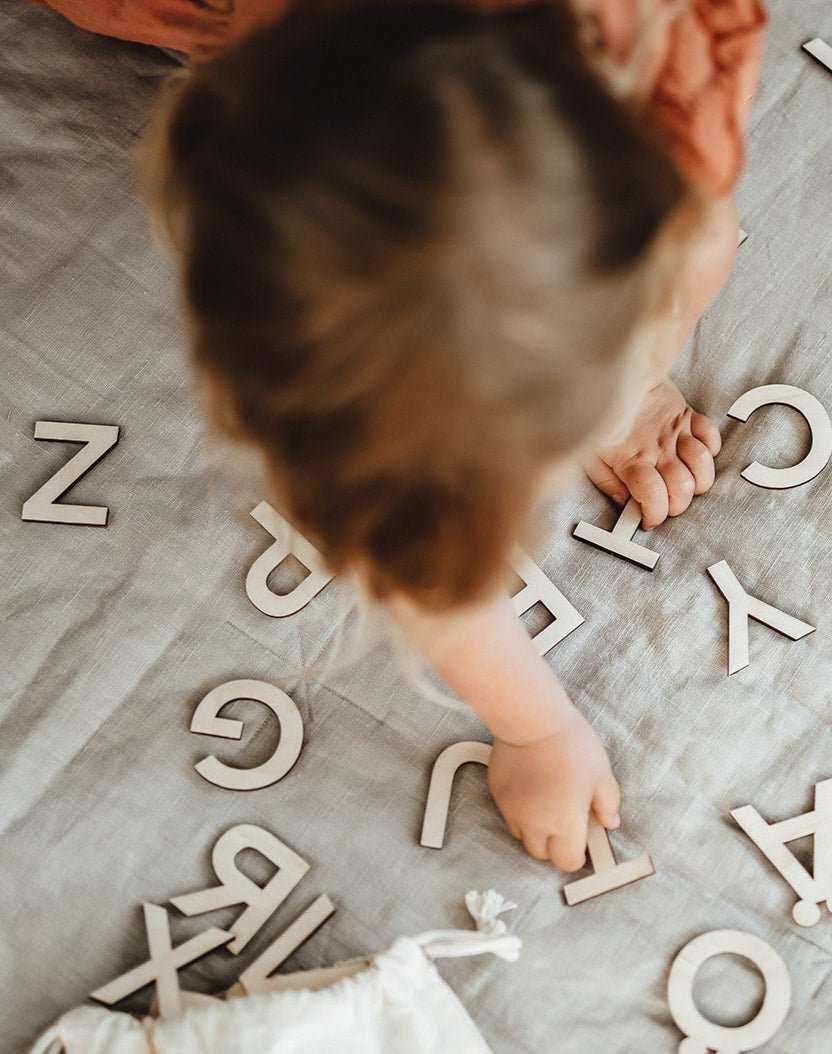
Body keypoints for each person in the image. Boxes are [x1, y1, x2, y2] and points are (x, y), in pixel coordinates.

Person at [34, 0, 765, 872]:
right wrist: (538, 729)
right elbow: (422, 563)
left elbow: (697, 231)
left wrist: (630, 372)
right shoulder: (328, 337)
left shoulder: (669, 78)